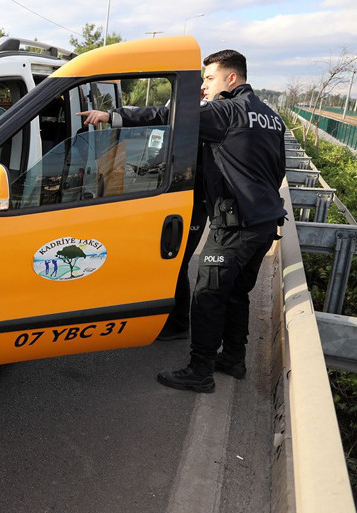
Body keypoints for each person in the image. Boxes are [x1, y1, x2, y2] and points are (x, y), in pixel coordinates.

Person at [79, 50, 286, 393]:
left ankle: (200, 370)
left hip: (235, 225)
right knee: (236, 294)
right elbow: (277, 170)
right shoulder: (269, 116)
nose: (204, 86)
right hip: (265, 223)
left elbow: (171, 114)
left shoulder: (227, 110)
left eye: (208, 78)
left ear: (231, 78)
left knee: (207, 294)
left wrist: (114, 116)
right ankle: (234, 358)